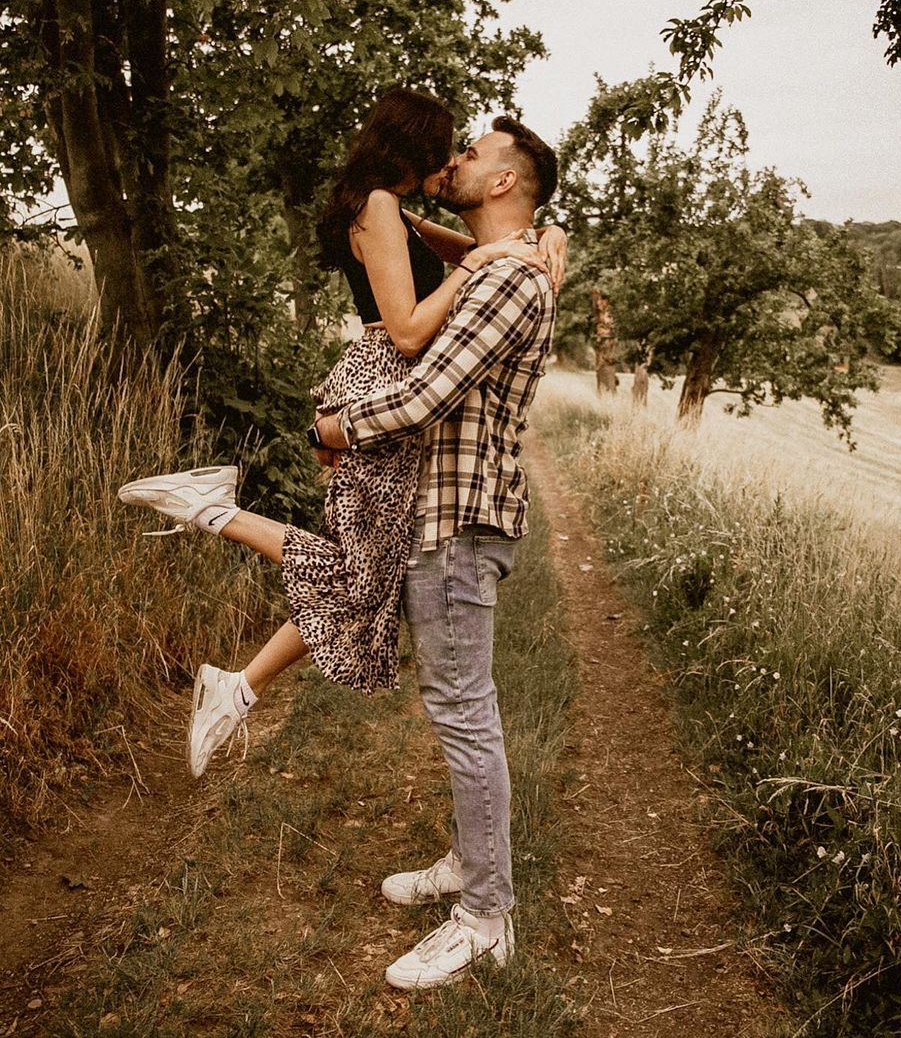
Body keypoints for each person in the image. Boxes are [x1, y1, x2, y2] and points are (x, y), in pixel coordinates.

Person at [117, 88, 565, 782]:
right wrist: (476, 269)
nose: (451, 161)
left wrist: (542, 236)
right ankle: (212, 516)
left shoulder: (393, 208)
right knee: (361, 573)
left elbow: (482, 247)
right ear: (414, 147)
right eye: (445, 149)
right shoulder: (378, 206)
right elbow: (411, 330)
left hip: (381, 381)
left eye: (463, 152)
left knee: (365, 574)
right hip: (385, 372)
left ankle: (234, 686)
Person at [303, 115, 559, 991]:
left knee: (463, 710)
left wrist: (335, 426)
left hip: (457, 523)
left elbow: (423, 394)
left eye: (474, 155)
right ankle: (470, 860)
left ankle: (485, 917)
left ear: (504, 182)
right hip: (445, 514)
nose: (455, 161)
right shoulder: (500, 264)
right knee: (458, 707)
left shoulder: (507, 282)